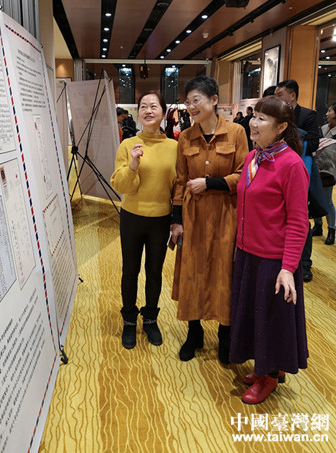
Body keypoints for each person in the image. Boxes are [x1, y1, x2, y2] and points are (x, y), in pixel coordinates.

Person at [229, 96, 309, 404]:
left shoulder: (292, 165)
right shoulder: (253, 157)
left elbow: (299, 222)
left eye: (262, 118)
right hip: (248, 253)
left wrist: (288, 268)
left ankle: (269, 377)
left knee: (271, 321)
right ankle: (264, 367)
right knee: (255, 316)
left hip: (273, 260)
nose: (253, 122)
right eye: (255, 116)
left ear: (281, 127)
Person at [170, 76, 248, 364]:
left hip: (226, 215)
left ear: (214, 100)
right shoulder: (185, 137)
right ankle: (194, 333)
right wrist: (176, 221)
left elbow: (243, 175)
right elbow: (180, 181)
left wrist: (210, 183)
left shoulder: (236, 132)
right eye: (188, 102)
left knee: (224, 273)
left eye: (197, 100)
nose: (191, 107)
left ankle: (226, 336)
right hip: (193, 216)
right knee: (192, 272)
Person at [111, 91, 178, 350]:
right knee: (130, 270)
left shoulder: (174, 147)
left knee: (154, 271)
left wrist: (177, 219)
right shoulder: (128, 144)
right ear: (138, 113)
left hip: (160, 219)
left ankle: (150, 318)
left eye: (154, 106)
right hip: (132, 217)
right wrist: (133, 165)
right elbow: (121, 186)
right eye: (143, 107)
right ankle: (129, 319)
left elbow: (178, 186)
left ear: (163, 112)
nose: (148, 110)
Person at [275, 79, 319, 282]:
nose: (277, 98)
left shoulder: (308, 115)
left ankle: (305, 263)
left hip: (299, 169)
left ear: (292, 95)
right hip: (276, 170)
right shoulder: (276, 113)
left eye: (280, 94)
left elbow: (314, 143)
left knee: (301, 217)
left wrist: (291, 136)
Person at [312, 103, 336, 245]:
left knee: (327, 200)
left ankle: (331, 229)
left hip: (329, 170)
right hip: (317, 167)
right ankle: (318, 225)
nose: (327, 113)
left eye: (330, 111)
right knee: (315, 198)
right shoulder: (323, 128)